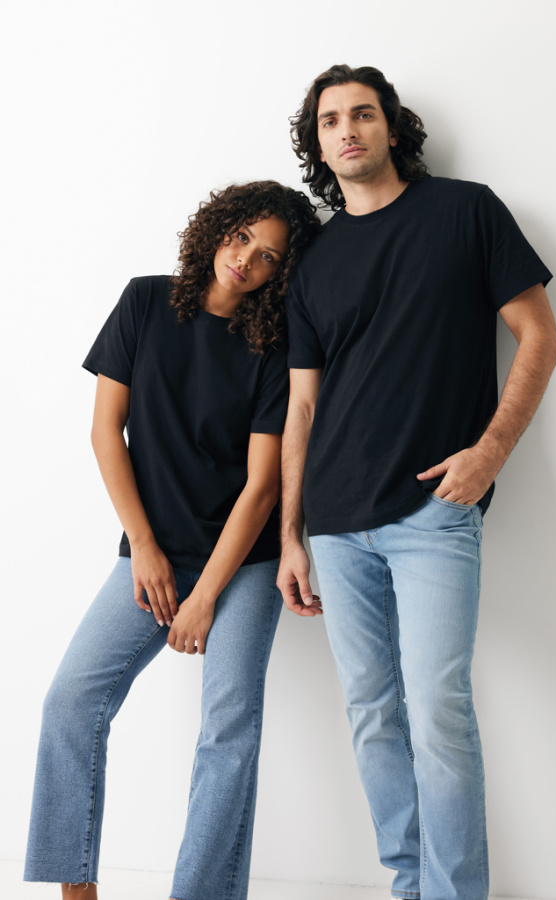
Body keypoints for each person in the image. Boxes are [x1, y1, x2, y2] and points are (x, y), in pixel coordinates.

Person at [277, 65, 556, 900]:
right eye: (330, 120)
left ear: (392, 128)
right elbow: (302, 406)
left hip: (433, 510)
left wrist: (491, 451)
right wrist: (291, 534)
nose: (347, 129)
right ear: (318, 142)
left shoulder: (466, 211)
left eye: (363, 113)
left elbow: (540, 336)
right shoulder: (312, 261)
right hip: (335, 522)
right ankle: (409, 883)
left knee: (438, 712)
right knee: (371, 714)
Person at [24, 180, 319, 900]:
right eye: (241, 236)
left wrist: (206, 595)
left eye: (268, 255)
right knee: (70, 701)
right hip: (153, 549)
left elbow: (262, 487)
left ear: (281, 273)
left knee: (228, 727)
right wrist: (144, 547)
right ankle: (76, 889)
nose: (246, 258)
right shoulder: (144, 302)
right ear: (217, 228)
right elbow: (105, 432)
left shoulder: (272, 347)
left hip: (241, 562)